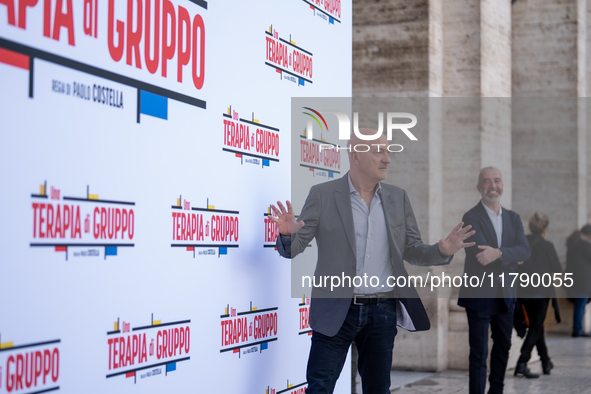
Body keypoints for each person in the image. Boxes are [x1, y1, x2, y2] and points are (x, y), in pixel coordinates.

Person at [269, 129, 476, 394]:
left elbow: (411, 250)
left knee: (378, 389)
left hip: (383, 311)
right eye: (379, 151)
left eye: (388, 151)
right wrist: (287, 235)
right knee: (320, 388)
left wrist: (442, 250)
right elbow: (293, 249)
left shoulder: (397, 198)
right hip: (335, 310)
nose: (387, 159)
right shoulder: (322, 195)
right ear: (355, 155)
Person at [458, 166, 531, 394]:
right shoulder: (470, 217)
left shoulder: (514, 218)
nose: (492, 186)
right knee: (478, 353)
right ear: (479, 187)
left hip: (506, 296)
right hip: (479, 295)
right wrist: (510, 256)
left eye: (496, 180)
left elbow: (525, 251)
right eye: (487, 181)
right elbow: (479, 254)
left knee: (503, 348)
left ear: (502, 185)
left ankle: (496, 391)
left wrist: (498, 253)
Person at [514, 212, 562, 377]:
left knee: (537, 326)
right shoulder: (547, 245)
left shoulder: (521, 243)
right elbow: (557, 268)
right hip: (541, 291)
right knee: (535, 326)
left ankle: (545, 360)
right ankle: (522, 361)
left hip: (523, 290)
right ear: (545, 229)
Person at [565, 224, 591, 337]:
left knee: (580, 305)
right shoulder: (583, 245)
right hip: (582, 282)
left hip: (575, 281)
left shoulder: (575, 243)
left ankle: (578, 328)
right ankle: (577, 329)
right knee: (580, 305)